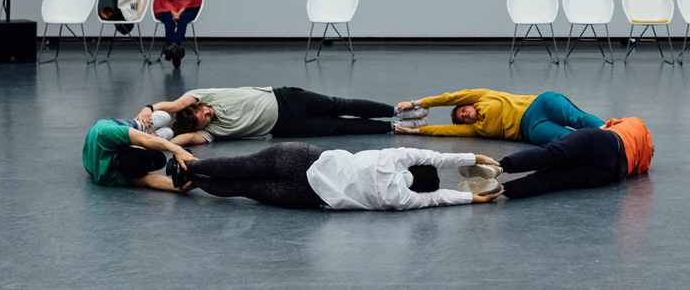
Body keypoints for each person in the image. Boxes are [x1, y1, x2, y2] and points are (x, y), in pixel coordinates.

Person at [168, 143, 502, 211]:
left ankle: (188, 166)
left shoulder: (396, 157)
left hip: (304, 157)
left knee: (242, 165)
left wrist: (476, 157)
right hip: (309, 196)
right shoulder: (401, 199)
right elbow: (437, 199)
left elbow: (437, 157)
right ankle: (193, 182)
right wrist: (472, 197)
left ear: (417, 168)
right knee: (245, 190)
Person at [136, 86, 426, 145]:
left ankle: (398, 111)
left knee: (341, 104)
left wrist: (149, 109)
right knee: (339, 127)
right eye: (203, 117)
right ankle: (393, 127)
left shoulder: (203, 96)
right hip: (287, 126)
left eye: (202, 110)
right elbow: (182, 140)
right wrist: (154, 139)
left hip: (285, 98)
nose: (206, 113)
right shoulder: (208, 132)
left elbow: (174, 105)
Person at [471, 117, 653, 200]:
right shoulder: (645, 164)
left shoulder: (637, 123)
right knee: (551, 180)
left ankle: (499, 167)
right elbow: (633, 172)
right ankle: (501, 190)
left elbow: (605, 126)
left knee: (550, 154)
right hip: (607, 172)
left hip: (604, 141)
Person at [394, 88, 604, 145]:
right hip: (530, 128)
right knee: (566, 139)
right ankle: (607, 146)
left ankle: (612, 131)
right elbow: (443, 131)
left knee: (578, 118)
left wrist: (416, 103)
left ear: (468, 104)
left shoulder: (482, 96)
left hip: (540, 104)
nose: (465, 114)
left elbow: (450, 98)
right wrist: (414, 131)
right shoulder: (475, 129)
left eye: (463, 109)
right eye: (463, 117)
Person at [82, 118, 195, 191]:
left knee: (157, 120)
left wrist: (178, 150)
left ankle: (141, 126)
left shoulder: (107, 134)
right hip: (94, 151)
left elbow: (145, 139)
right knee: (166, 133)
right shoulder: (106, 177)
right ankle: (152, 133)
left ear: (132, 146)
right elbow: (149, 180)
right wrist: (177, 187)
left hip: (105, 126)